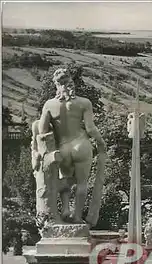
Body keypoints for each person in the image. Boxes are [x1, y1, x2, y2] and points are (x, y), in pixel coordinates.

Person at [37, 67, 106, 224]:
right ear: (71, 83)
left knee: (66, 179)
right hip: (81, 145)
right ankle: (77, 216)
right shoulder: (84, 103)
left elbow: (42, 130)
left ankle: (66, 208)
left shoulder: (49, 105)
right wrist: (101, 142)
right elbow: (90, 128)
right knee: (82, 183)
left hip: (62, 148)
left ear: (56, 85)